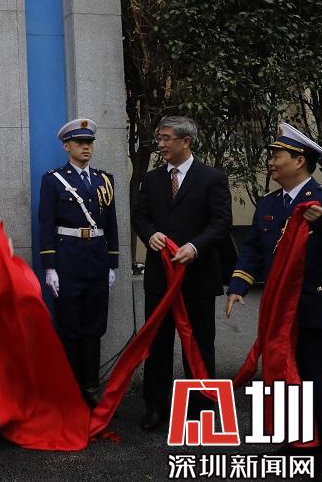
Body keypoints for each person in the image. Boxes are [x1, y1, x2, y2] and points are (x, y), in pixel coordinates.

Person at [225, 123, 322, 457]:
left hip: (320, 309)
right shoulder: (269, 204)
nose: (270, 161)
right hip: (282, 316)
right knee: (288, 382)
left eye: (277, 155)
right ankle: (297, 445)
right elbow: (253, 250)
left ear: (299, 160)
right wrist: (238, 285)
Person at [132, 115, 232, 432]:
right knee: (157, 344)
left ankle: (201, 408)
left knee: (199, 346)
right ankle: (155, 406)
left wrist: (195, 247)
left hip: (197, 278)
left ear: (185, 141)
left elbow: (221, 223)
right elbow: (140, 217)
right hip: (160, 279)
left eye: (166, 138)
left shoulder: (212, 178)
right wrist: (150, 235)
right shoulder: (151, 179)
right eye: (159, 138)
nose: (160, 144)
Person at [38, 118, 119, 408]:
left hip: (96, 259)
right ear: (67, 146)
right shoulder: (53, 180)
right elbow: (45, 224)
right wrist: (50, 267)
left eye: (89, 143)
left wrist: (112, 264)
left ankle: (91, 386)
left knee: (94, 326)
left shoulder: (104, 180)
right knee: (69, 326)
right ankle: (70, 388)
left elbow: (111, 223)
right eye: (80, 142)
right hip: (68, 261)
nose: (86, 147)